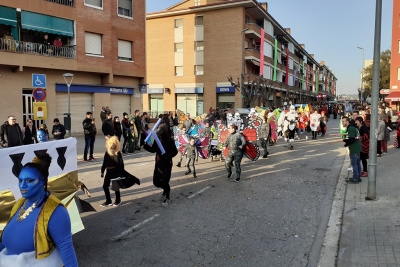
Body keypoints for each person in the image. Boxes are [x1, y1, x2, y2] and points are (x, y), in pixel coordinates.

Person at [0, 152, 78, 266]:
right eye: (20, 181)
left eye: (29, 181)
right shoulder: (20, 204)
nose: (22, 186)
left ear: (42, 181)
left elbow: (66, 249)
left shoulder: (56, 211)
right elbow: (7, 242)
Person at [143, 128, 178, 206]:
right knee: (156, 182)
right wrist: (145, 146)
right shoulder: (157, 140)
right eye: (158, 137)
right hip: (158, 164)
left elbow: (175, 152)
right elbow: (153, 149)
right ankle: (166, 189)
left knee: (165, 181)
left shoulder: (170, 141)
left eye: (160, 137)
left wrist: (167, 155)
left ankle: (167, 197)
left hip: (166, 164)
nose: (159, 138)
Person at [100, 137, 124, 207]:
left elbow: (121, 164)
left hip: (115, 171)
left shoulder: (118, 153)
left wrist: (120, 174)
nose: (113, 145)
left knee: (115, 186)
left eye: (114, 144)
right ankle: (108, 201)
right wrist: (102, 171)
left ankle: (118, 200)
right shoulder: (107, 152)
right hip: (108, 171)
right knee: (105, 186)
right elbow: (104, 163)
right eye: (112, 144)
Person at [342, 117, 362, 183]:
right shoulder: (354, 127)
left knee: (354, 164)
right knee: (358, 163)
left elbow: (352, 140)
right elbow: (353, 138)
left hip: (354, 148)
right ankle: (358, 176)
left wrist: (346, 142)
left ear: (347, 122)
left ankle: (355, 178)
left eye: (343, 121)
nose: (342, 123)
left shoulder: (350, 128)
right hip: (358, 147)